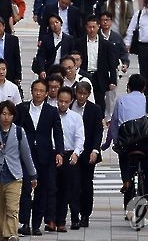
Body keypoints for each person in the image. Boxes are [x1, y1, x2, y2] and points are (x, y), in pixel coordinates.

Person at [0, 101, 37, 241]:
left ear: (13, 116)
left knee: (12, 209)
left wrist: (33, 174)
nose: (6, 117)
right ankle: (2, 237)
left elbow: (26, 154)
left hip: (14, 175)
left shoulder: (19, 131)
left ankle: (12, 235)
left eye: (9, 114)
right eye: (4, 114)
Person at [14, 80, 64, 236]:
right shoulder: (21, 109)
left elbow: (58, 133)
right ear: (31, 91)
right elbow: (14, 130)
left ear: (46, 93)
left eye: (42, 91)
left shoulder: (51, 111)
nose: (38, 93)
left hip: (45, 155)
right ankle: (24, 223)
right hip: (26, 153)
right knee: (26, 189)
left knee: (42, 190)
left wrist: (59, 152)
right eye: (36, 90)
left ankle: (36, 224)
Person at [109, 74, 148, 215]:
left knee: (123, 153)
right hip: (146, 142)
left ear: (128, 87)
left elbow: (114, 123)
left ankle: (126, 180)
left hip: (128, 143)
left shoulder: (121, 100)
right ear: (144, 87)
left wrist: (114, 141)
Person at [69, 81, 103, 227]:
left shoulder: (95, 109)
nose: (81, 96)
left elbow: (98, 132)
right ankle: (75, 214)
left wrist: (95, 150)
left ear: (89, 95)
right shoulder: (69, 106)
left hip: (88, 152)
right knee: (74, 184)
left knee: (87, 185)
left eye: (84, 94)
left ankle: (85, 214)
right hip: (72, 152)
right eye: (79, 93)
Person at [74, 15, 117, 117]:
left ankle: (99, 121)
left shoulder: (107, 45)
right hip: (84, 74)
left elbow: (112, 64)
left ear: (98, 26)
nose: (91, 30)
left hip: (99, 77)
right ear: (86, 27)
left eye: (94, 27)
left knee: (99, 102)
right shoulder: (79, 43)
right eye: (89, 27)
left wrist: (113, 81)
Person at [55, 86, 85, 231]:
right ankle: (59, 220)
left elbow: (80, 138)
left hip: (70, 154)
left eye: (66, 102)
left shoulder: (75, 117)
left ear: (70, 101)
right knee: (58, 188)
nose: (63, 104)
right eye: (60, 101)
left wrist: (76, 153)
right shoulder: (51, 115)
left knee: (73, 188)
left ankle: (75, 218)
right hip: (55, 154)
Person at [99, 11, 129, 121]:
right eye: (102, 20)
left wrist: (125, 64)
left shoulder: (116, 37)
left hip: (112, 69)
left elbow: (123, 52)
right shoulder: (97, 36)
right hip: (99, 69)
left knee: (111, 94)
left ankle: (109, 115)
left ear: (111, 22)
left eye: (107, 20)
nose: (105, 22)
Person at [34, 14, 74, 79]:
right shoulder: (46, 39)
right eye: (52, 23)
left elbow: (71, 55)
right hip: (50, 69)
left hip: (64, 70)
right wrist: (42, 70)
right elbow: (41, 56)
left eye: (56, 22)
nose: (55, 25)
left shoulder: (69, 39)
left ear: (61, 23)